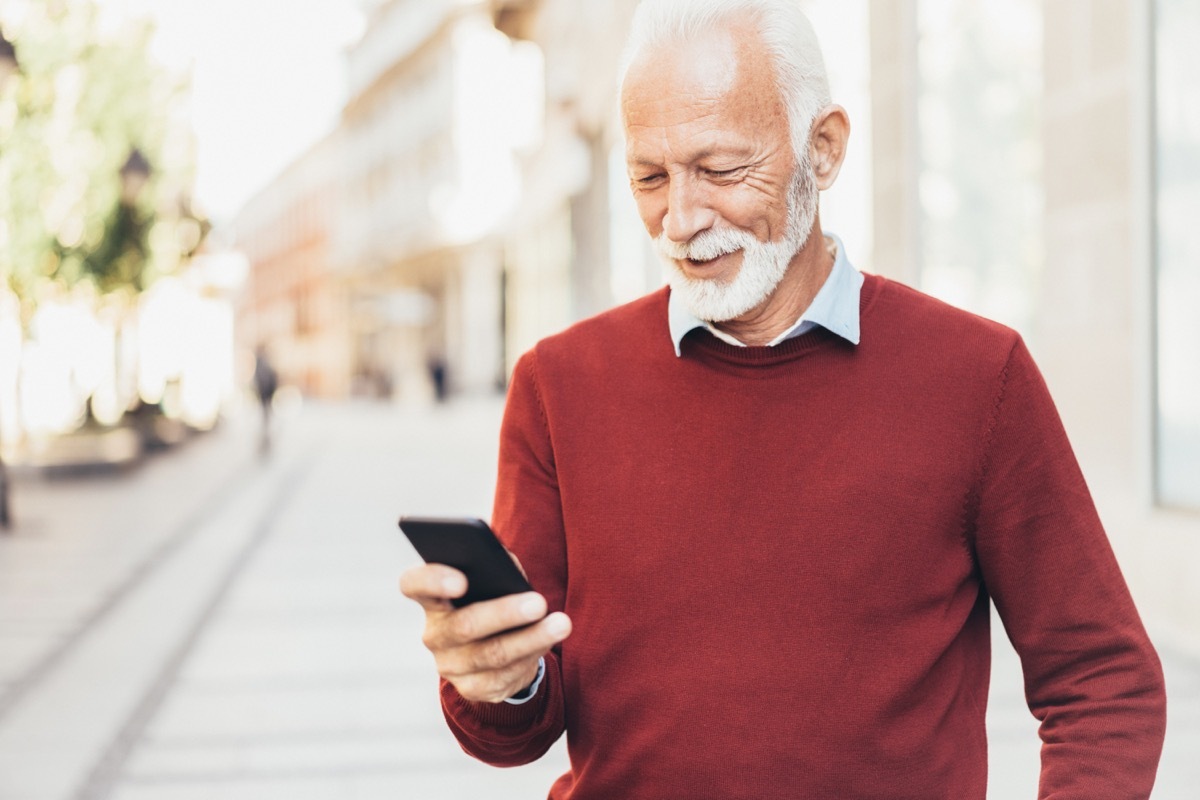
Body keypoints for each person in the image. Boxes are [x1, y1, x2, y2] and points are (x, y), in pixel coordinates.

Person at [400, 1, 1167, 796]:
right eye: (650, 177)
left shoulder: (978, 374)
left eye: (722, 170)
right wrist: (500, 678)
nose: (682, 218)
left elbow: (1102, 679)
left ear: (824, 149)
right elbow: (521, 726)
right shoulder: (558, 384)